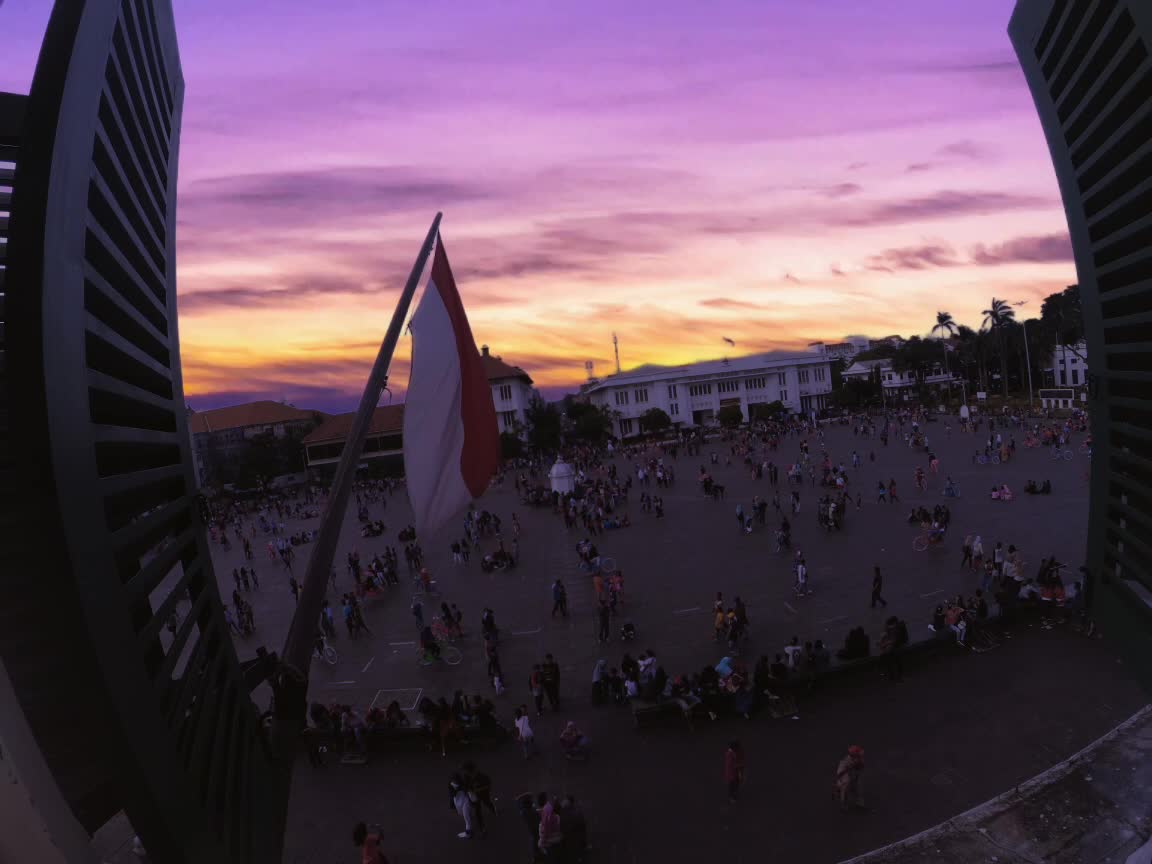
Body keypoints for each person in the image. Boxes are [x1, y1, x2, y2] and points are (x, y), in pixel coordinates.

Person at [834, 745, 865, 812]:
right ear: (854, 755)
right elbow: (839, 774)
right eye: (858, 753)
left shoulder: (859, 760)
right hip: (846, 780)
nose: (860, 755)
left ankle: (860, 805)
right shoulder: (844, 762)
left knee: (858, 790)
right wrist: (850, 767)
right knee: (845, 792)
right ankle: (844, 806)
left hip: (854, 779)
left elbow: (861, 767)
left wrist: (858, 764)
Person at [448, 772, 474, 839]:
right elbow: (452, 795)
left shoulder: (462, 784)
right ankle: (469, 828)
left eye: (456, 780)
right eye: (453, 780)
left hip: (465, 800)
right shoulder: (451, 784)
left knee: (466, 816)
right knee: (463, 814)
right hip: (458, 801)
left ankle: (468, 832)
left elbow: (468, 791)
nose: (454, 781)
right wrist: (452, 806)